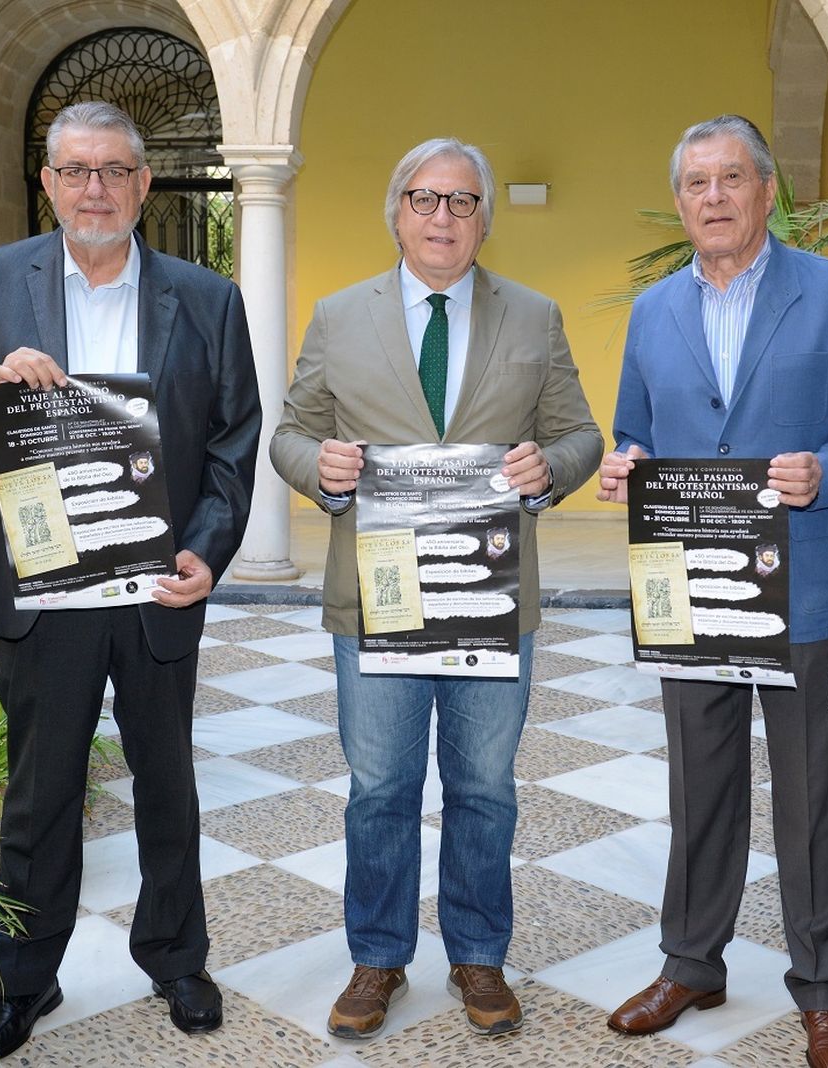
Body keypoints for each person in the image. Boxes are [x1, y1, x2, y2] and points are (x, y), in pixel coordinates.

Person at [0, 101, 261, 1061]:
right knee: (40, 791)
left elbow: (235, 438)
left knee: (167, 783)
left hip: (157, 588)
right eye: (76, 171)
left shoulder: (206, 296)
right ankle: (24, 981)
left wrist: (207, 550)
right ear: (50, 184)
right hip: (44, 586)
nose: (95, 189)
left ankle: (176, 957)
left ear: (146, 185)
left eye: (115, 171)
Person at [269, 137, 602, 1040]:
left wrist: (548, 467)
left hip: (491, 601)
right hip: (375, 597)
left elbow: (582, 437)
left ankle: (478, 955)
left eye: (461, 202)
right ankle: (377, 957)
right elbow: (290, 433)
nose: (442, 217)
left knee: (485, 786)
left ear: (484, 217)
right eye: (425, 199)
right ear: (397, 212)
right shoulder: (340, 317)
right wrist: (324, 468)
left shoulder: (533, 317)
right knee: (379, 786)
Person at [598, 115, 828, 1068]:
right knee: (700, 790)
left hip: (801, 586)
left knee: (812, 797)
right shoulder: (653, 313)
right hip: (691, 588)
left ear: (769, 191)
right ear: (680, 200)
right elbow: (634, 431)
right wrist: (628, 464)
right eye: (697, 183)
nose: (716, 197)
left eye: (733, 178)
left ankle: (823, 990)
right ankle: (691, 962)